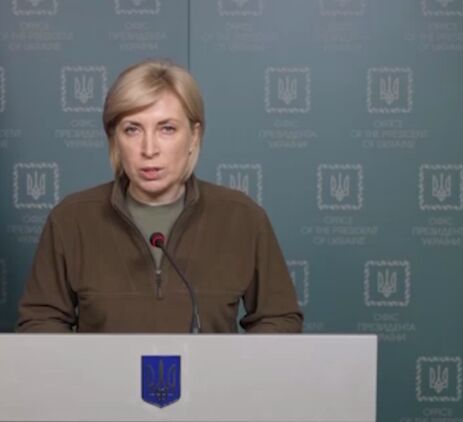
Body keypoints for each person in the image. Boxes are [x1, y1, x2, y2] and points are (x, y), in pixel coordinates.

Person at [16, 59, 303, 333]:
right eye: (132, 130)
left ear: (193, 136)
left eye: (167, 129)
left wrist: (231, 365)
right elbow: (40, 321)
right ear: (115, 139)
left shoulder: (242, 217)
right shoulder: (71, 219)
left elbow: (279, 318)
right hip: (103, 372)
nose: (149, 149)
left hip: (210, 372)